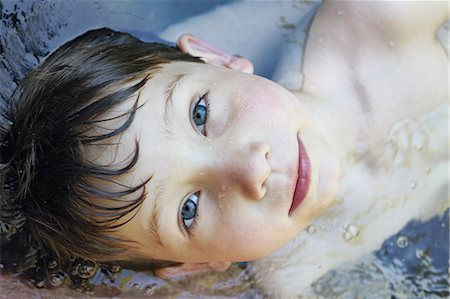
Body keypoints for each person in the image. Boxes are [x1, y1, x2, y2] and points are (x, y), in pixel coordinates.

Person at [0, 0, 447, 291]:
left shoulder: (377, 22)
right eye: (189, 209)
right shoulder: (290, 277)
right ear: (199, 265)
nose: (252, 169)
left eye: (200, 114)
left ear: (218, 57)